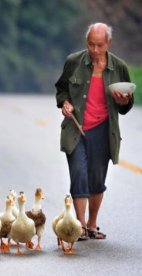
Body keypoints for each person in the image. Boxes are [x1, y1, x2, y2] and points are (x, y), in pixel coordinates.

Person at [55, 23, 134, 240]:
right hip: (76, 128)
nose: (95, 50)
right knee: (78, 173)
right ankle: (79, 225)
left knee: (97, 179)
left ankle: (92, 224)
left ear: (108, 43)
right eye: (91, 44)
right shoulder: (74, 62)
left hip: (103, 130)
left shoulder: (119, 67)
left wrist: (124, 101)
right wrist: (65, 103)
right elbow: (61, 89)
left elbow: (126, 107)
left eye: (99, 45)